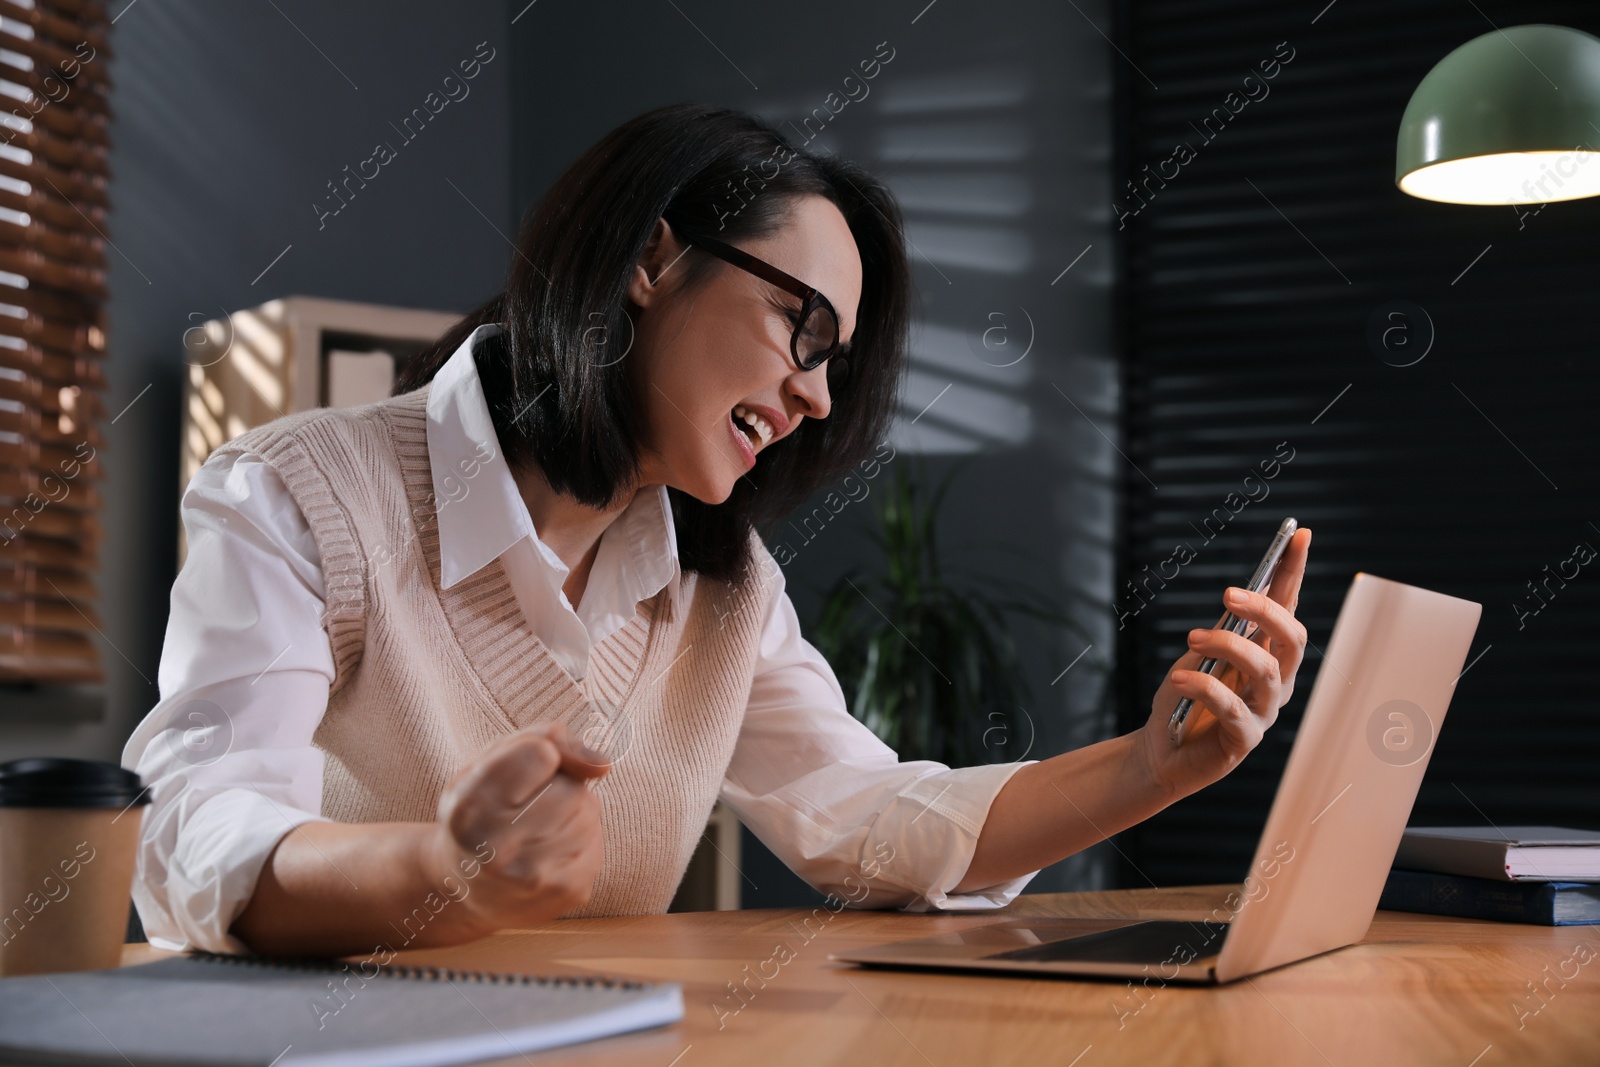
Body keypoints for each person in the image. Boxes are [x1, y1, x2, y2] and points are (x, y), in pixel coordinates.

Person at [123, 104, 1312, 957]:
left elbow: (874, 819)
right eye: (803, 329)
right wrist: (444, 871)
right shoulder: (296, 492)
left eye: (837, 362)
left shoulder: (725, 581)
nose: (819, 397)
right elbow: (194, 835)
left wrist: (1155, 764)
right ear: (654, 256)